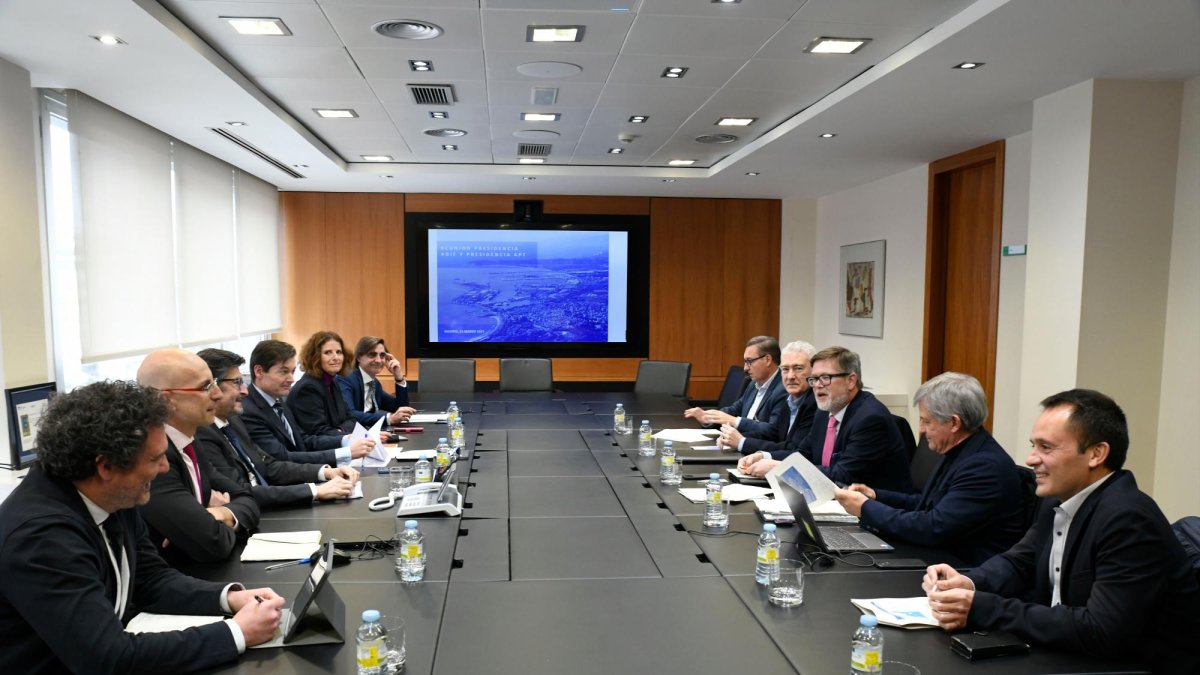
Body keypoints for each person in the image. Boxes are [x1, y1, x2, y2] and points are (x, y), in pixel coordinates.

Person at [0, 380, 285, 674]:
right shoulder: (41, 537)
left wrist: (229, 598)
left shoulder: (112, 493)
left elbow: (150, 579)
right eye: (154, 458)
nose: (165, 468)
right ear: (106, 466)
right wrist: (236, 632)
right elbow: (106, 657)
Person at [923, 389, 1200, 672]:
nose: (1030, 459)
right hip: (1065, 650)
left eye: (1046, 447)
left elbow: (1103, 631)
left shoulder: (1129, 519)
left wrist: (982, 607)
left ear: (1096, 454)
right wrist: (967, 583)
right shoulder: (1059, 499)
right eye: (1033, 446)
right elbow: (1020, 562)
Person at [832, 372, 1025, 565]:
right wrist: (875, 496)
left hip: (964, 570)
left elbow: (934, 527)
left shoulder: (984, 467)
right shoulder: (960, 450)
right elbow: (927, 504)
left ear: (954, 423)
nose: (921, 429)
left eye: (926, 421)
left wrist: (865, 508)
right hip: (940, 556)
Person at [136, 349, 260, 563]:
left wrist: (220, 514)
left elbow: (247, 498)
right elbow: (212, 542)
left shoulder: (190, 441)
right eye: (205, 387)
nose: (217, 394)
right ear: (166, 400)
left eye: (214, 384)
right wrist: (214, 519)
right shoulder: (154, 458)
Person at [195, 348, 359, 509]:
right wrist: (315, 491)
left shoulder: (234, 421)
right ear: (211, 387)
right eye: (237, 382)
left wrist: (325, 472)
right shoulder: (203, 433)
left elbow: (269, 465)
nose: (245, 391)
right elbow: (240, 491)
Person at [737, 346, 913, 493]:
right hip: (831, 499)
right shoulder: (824, 411)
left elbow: (842, 476)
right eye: (814, 379)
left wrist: (779, 468)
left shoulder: (870, 419)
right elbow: (804, 454)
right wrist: (763, 456)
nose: (817, 385)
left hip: (874, 511)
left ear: (851, 381)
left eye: (825, 378)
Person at [241, 339, 374, 465]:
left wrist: (345, 440)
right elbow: (283, 458)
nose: (291, 379)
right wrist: (345, 453)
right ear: (259, 371)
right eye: (284, 372)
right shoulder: (248, 411)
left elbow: (303, 440)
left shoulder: (277, 400)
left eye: (292, 371)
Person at [718, 340, 818, 457]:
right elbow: (774, 433)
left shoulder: (815, 404)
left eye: (798, 368)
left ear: (814, 371)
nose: (790, 376)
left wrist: (742, 442)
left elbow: (794, 449)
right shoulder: (790, 399)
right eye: (785, 369)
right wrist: (732, 437)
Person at [684, 335, 786, 440]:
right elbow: (734, 409)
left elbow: (773, 431)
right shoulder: (753, 385)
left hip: (756, 447)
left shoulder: (783, 389)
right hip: (737, 443)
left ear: (767, 360)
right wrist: (708, 417)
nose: (745, 368)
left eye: (749, 361)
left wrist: (734, 421)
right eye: (745, 362)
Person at [286, 330, 358, 437]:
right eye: (328, 352)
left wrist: (340, 430)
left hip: (338, 441)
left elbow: (351, 418)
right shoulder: (307, 388)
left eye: (339, 352)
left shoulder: (333, 382)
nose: (336, 358)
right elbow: (318, 432)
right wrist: (344, 434)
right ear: (315, 357)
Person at [337, 336, 416, 427]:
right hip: (349, 433)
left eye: (382, 355)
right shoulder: (346, 379)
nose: (378, 360)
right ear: (358, 357)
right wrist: (388, 418)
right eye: (372, 355)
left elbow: (401, 408)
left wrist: (399, 377)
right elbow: (349, 414)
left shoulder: (374, 383)